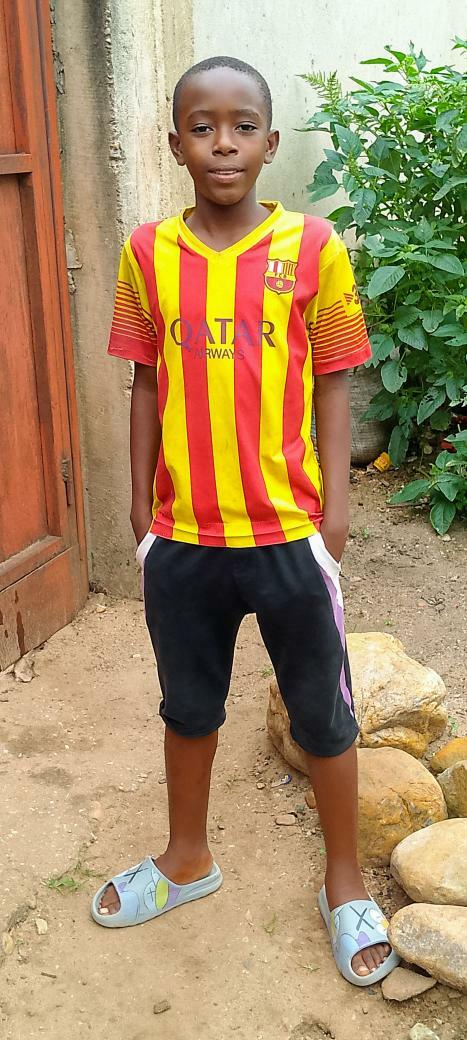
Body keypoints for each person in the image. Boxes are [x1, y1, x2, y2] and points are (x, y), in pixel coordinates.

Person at [92, 55, 400, 988]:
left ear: (269, 143)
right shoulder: (146, 252)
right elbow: (145, 381)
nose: (221, 143)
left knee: (322, 714)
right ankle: (187, 857)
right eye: (201, 127)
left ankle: (344, 882)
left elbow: (334, 380)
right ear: (173, 143)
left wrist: (334, 514)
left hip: (288, 538)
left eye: (241, 126)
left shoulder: (312, 247)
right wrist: (140, 506)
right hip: (184, 541)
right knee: (188, 707)